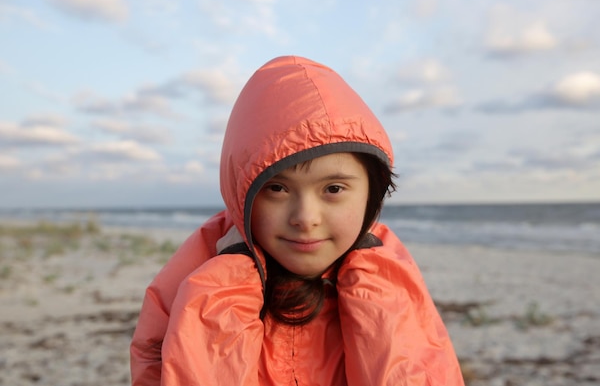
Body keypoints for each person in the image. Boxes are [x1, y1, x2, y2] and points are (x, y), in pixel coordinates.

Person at [130, 55, 465, 385]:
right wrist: (224, 288)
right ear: (242, 193)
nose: (306, 218)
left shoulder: (388, 279)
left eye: (333, 188)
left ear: (371, 193)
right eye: (276, 188)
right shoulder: (201, 275)